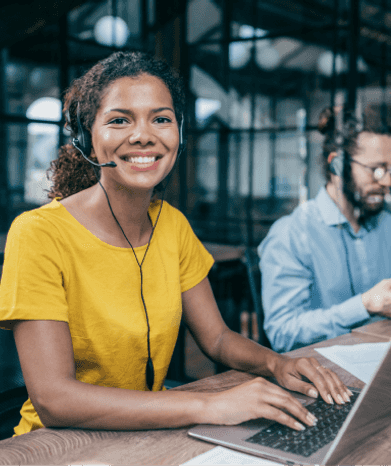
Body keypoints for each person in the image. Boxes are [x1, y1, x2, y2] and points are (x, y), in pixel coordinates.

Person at [0, 52, 351, 437]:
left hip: (146, 434)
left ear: (178, 136)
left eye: (161, 119)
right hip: (56, 447)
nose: (143, 135)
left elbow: (216, 338)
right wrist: (210, 404)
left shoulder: (172, 225)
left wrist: (277, 364)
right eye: (120, 120)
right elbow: (55, 400)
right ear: (87, 137)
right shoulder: (38, 233)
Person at [259, 106, 391, 353]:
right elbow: (283, 333)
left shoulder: (387, 219)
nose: (387, 182)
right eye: (377, 170)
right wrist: (364, 305)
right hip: (326, 377)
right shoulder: (293, 234)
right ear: (337, 166)